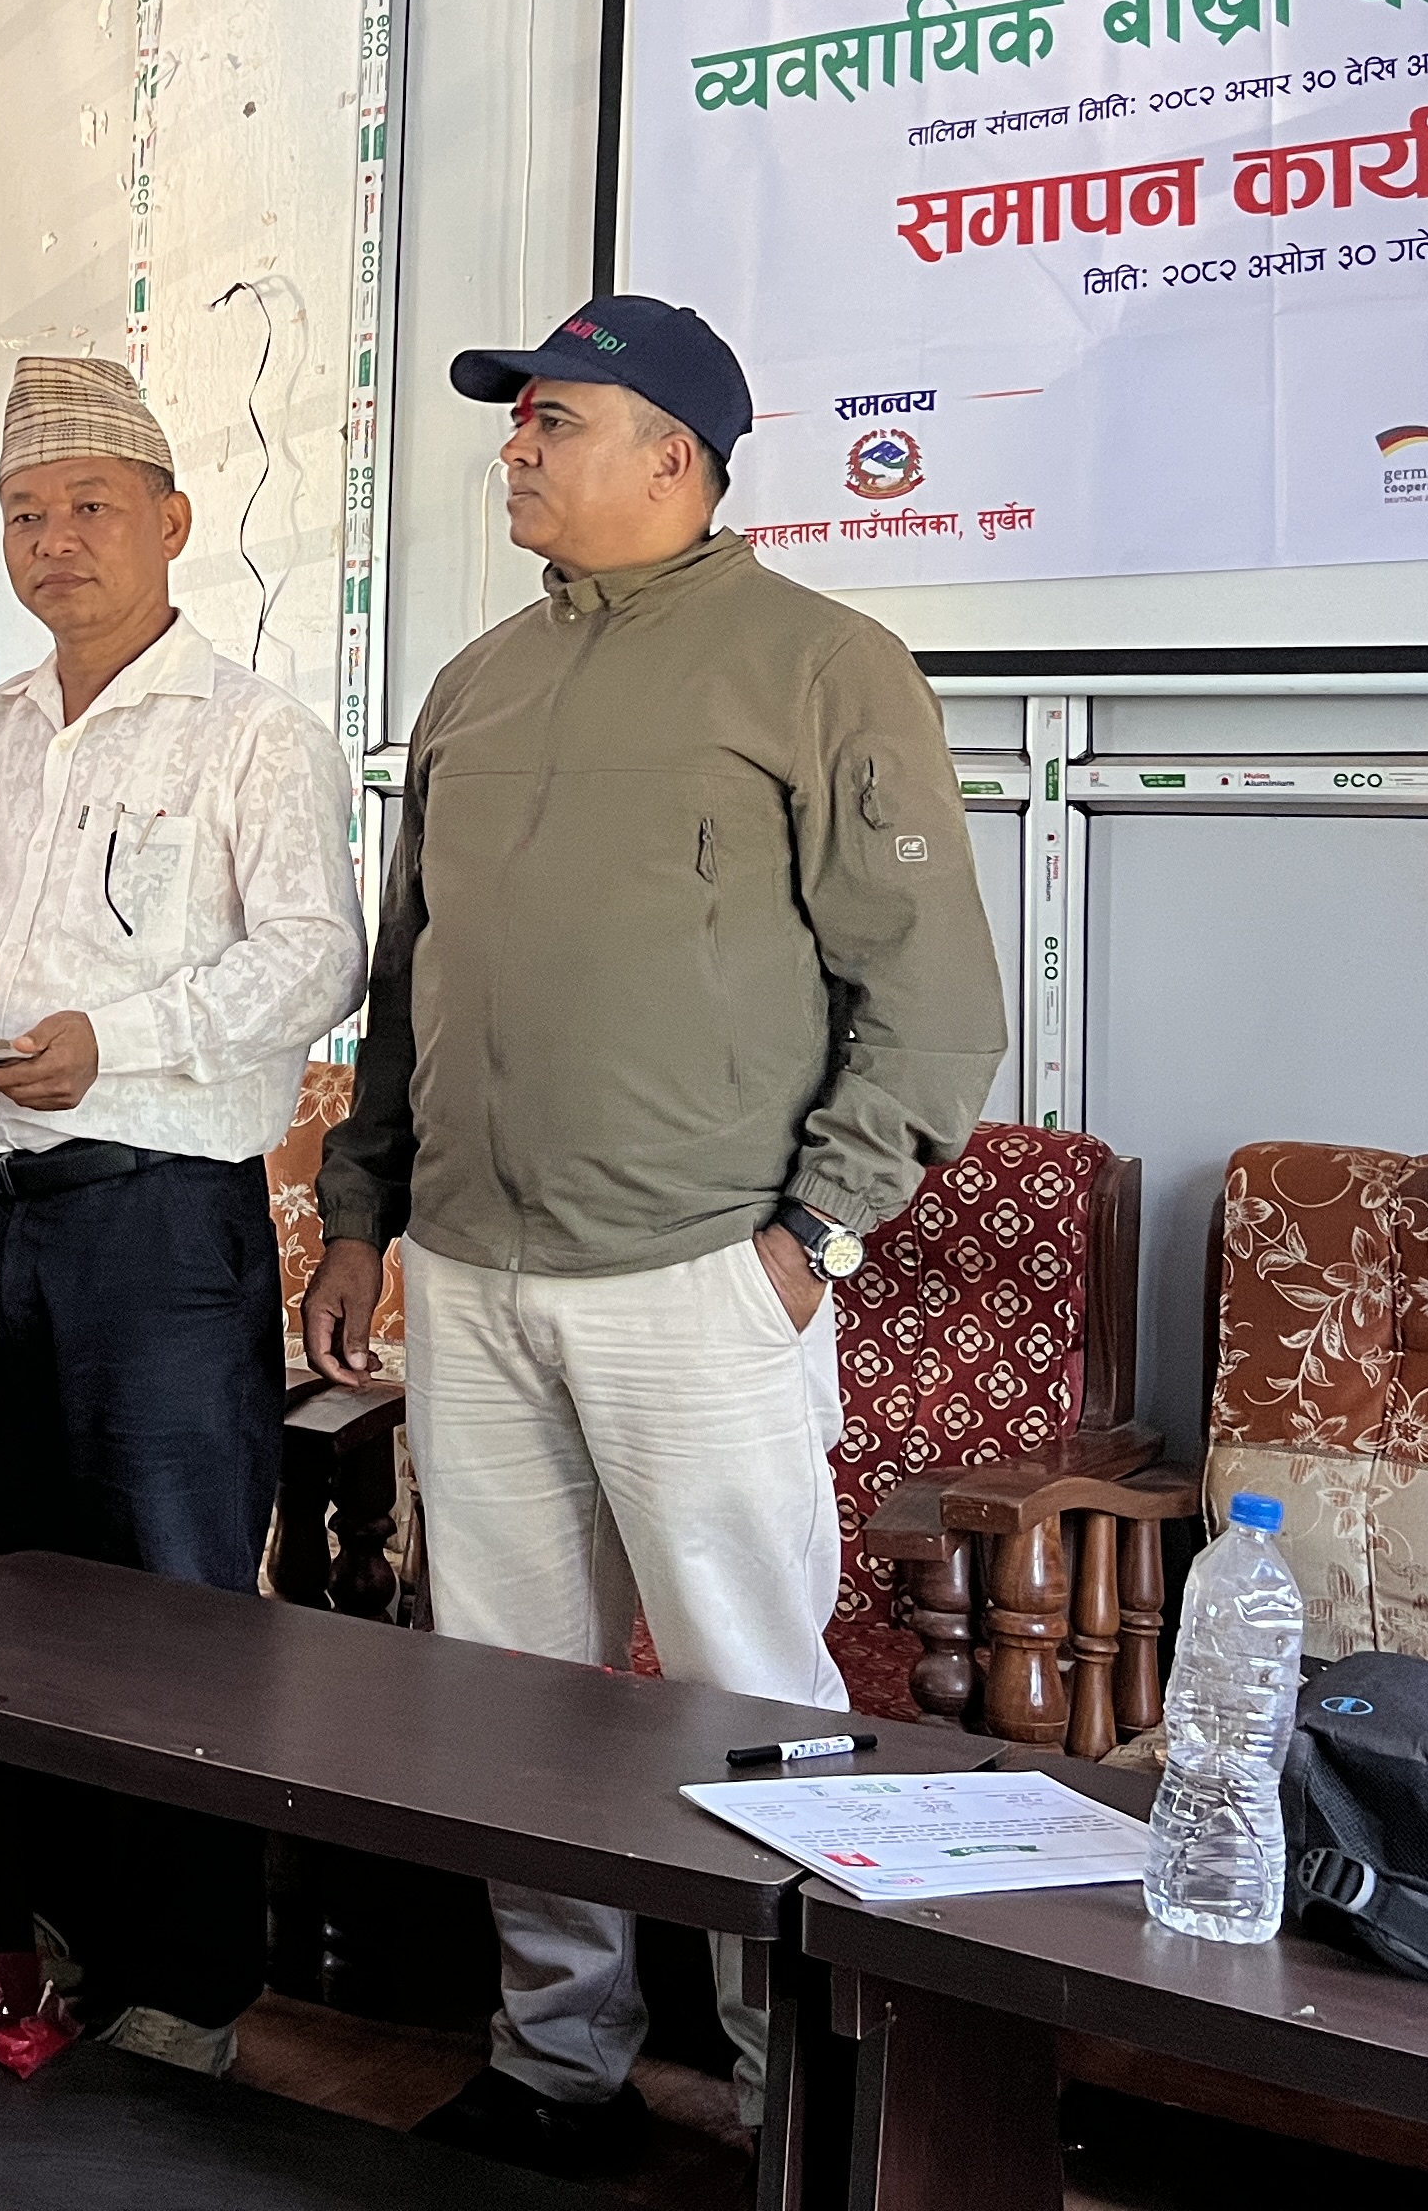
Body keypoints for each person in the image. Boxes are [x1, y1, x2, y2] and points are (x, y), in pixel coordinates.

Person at [303, 295, 1007, 2179]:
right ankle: (557, 2061)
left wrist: (809, 1241)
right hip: (467, 1274)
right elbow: (406, 982)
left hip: (703, 1281)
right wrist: (362, 1217)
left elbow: (934, 1006)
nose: (514, 451)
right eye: (512, 424)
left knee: (754, 1704)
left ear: (677, 457)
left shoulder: (823, 668)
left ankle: (803, 2091)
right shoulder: (473, 684)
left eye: (553, 419)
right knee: (508, 1702)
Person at [0, 354, 364, 2073]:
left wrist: (121, 1040)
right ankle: (55, 1935)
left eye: (89, 509)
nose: (55, 540)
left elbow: (314, 955)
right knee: (4, 1593)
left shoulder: (258, 733)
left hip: (158, 1224)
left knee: (173, 1610)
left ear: (174, 524)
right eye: (24, 512)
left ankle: (194, 1986)